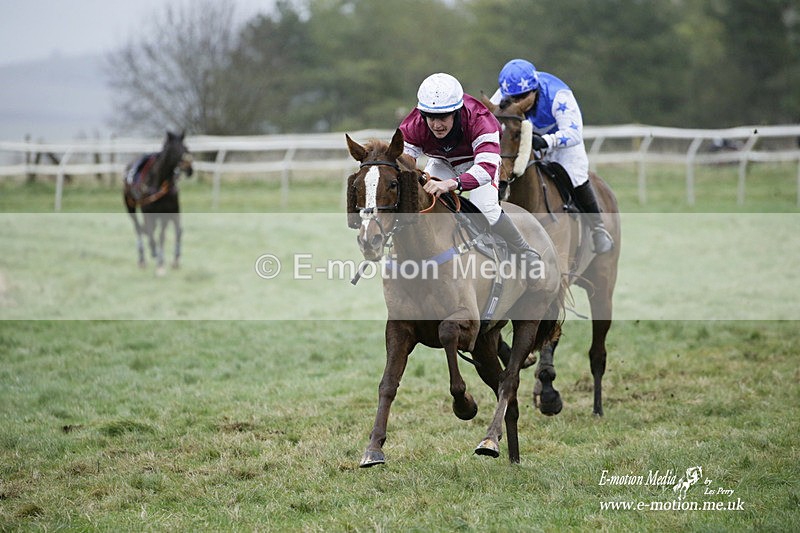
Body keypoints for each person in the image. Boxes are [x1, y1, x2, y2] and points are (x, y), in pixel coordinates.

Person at [399, 72, 540, 266]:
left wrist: (451, 184)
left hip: (478, 162)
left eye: (443, 117)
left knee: (485, 207)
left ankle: (524, 251)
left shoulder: (481, 120)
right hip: (441, 161)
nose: (436, 125)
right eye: (431, 117)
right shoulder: (414, 124)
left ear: (456, 111)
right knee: (427, 202)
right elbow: (404, 164)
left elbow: (487, 168)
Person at [490, 59, 614, 254]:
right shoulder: (501, 96)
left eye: (522, 97)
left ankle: (597, 228)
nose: (518, 103)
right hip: (524, 143)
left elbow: (574, 133)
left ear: (535, 90)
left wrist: (547, 141)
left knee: (576, 175)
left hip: (562, 144)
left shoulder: (559, 95)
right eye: (513, 98)